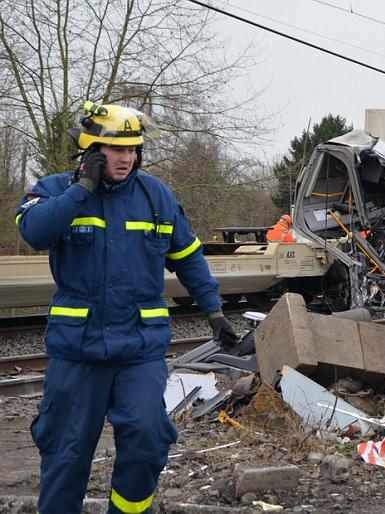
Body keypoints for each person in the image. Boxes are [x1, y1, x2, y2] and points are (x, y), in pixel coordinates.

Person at [15, 102, 239, 514]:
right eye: (118, 150)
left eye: (133, 149)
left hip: (139, 349)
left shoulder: (156, 196)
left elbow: (189, 257)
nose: (127, 158)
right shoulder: (53, 189)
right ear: (91, 150)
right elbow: (36, 232)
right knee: (66, 452)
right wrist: (81, 189)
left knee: (148, 435)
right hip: (77, 352)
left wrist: (214, 311)